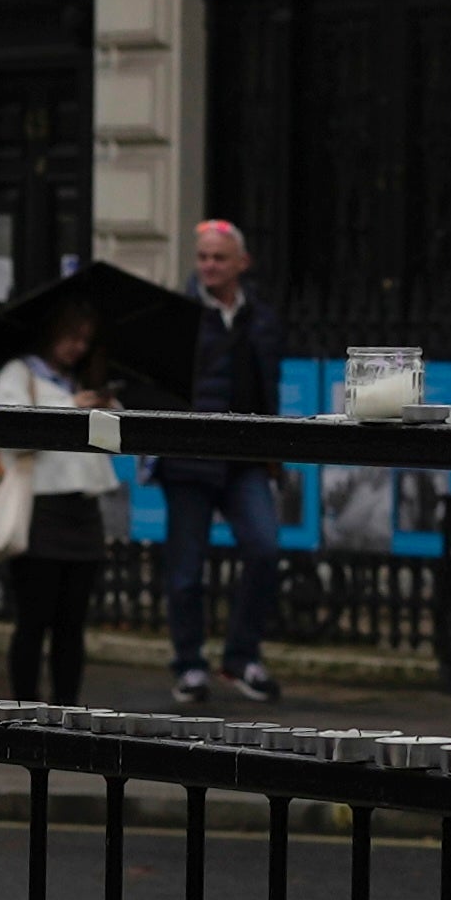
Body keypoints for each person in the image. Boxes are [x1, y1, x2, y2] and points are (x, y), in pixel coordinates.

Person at [157, 213, 293, 709]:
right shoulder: (177, 315)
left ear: (242, 263)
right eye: (203, 258)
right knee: (186, 573)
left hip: (244, 459)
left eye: (219, 258)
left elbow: (267, 388)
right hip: (188, 460)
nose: (209, 266)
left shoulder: (262, 318)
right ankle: (189, 665)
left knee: (263, 548)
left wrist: (273, 454)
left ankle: (241, 657)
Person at [0, 304, 119, 703]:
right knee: (34, 620)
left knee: (72, 623)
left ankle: (66, 708)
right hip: (41, 510)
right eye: (72, 335)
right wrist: (74, 408)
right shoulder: (19, 375)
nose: (78, 346)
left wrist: (106, 410)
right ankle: (25, 703)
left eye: (86, 339)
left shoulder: (81, 380)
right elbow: (13, 432)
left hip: (83, 510)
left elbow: (110, 446)